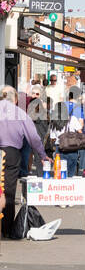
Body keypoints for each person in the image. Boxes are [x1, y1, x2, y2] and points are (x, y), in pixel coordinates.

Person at [0, 85, 48, 238]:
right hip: (11, 154)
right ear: (15, 99)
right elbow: (34, 138)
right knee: (8, 191)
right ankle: (5, 229)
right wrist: (42, 155)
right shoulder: (20, 114)